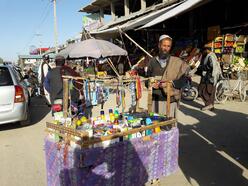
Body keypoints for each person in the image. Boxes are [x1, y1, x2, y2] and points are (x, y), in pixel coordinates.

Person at [146, 34, 189, 118]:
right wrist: (150, 84)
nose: (166, 48)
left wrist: (170, 83)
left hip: (171, 100)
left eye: (168, 46)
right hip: (156, 100)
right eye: (164, 45)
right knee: (156, 126)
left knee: (169, 128)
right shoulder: (152, 61)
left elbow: (183, 80)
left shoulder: (176, 62)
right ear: (159, 45)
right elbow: (148, 78)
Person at [198, 43, 222, 111]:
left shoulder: (210, 56)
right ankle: (210, 106)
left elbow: (210, 66)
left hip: (210, 77)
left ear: (206, 50)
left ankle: (209, 104)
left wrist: (200, 67)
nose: (203, 52)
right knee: (209, 92)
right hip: (210, 77)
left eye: (204, 51)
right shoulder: (211, 55)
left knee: (203, 91)